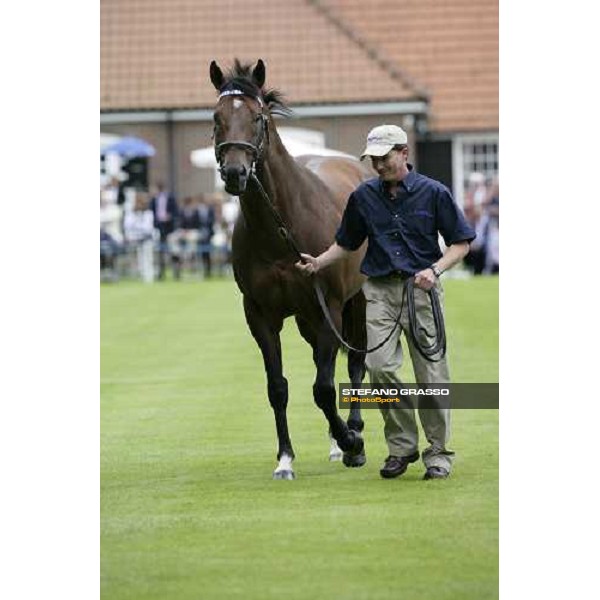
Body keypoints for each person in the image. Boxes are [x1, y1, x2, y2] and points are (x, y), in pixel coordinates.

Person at [295, 125, 475, 481]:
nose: (378, 165)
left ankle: (438, 453)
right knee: (378, 370)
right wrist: (318, 262)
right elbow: (346, 243)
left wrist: (435, 270)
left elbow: (461, 243)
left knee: (432, 377)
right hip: (378, 292)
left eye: (384, 157)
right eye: (373, 159)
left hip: (421, 291)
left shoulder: (434, 193)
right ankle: (402, 446)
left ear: (403, 153)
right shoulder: (363, 197)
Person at [150, 182, 179, 280]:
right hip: (159, 228)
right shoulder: (154, 199)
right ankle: (161, 274)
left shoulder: (170, 198)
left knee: (173, 251)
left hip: (170, 228)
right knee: (160, 252)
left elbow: (175, 212)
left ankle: (176, 273)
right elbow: (152, 213)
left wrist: (169, 216)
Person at [123, 192, 155, 283]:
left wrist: (137, 227)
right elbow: (127, 225)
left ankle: (149, 277)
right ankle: (138, 275)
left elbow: (148, 228)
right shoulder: (131, 213)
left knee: (147, 257)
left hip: (146, 239)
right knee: (137, 258)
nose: (140, 205)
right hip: (134, 239)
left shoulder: (148, 213)